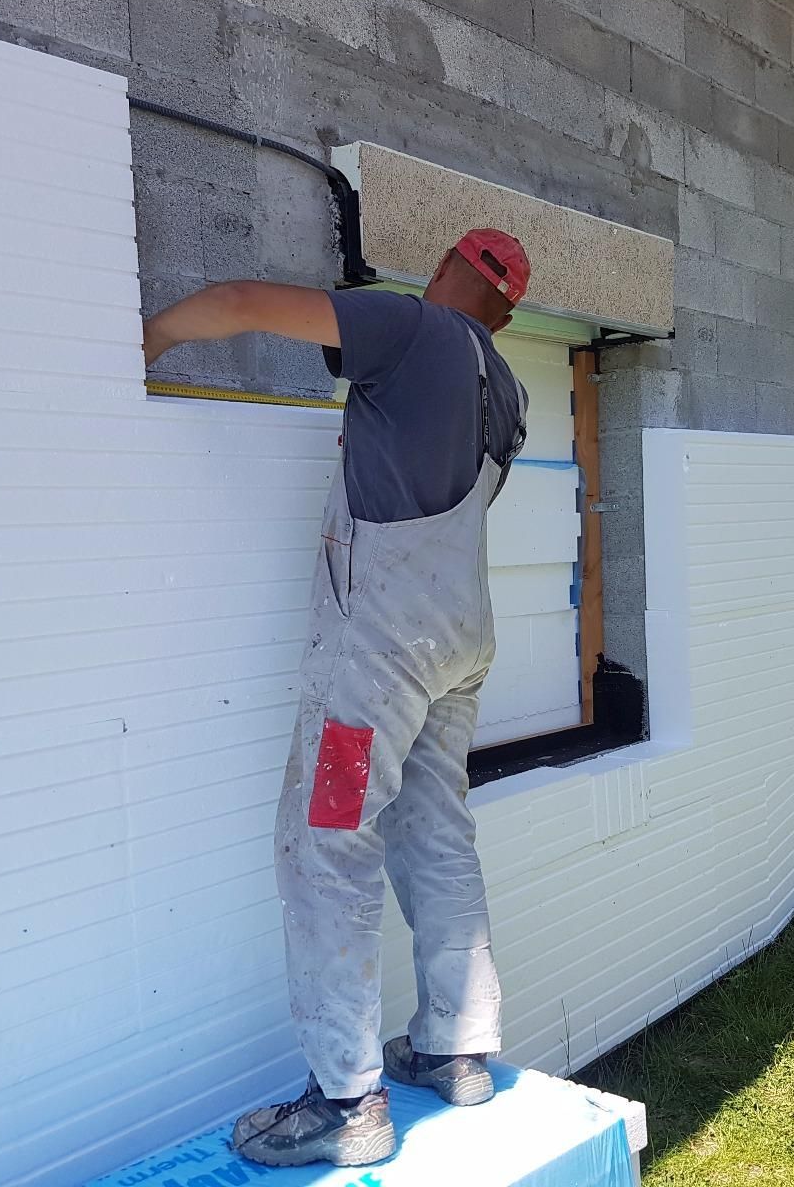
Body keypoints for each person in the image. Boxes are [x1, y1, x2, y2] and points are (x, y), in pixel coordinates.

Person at [142, 229, 532, 1167]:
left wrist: (138, 340)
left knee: (327, 842)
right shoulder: (509, 393)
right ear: (507, 310)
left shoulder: (409, 329)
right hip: (460, 645)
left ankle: (347, 1100)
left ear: (448, 269)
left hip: (381, 659)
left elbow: (238, 302)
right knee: (436, 831)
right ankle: (457, 1049)